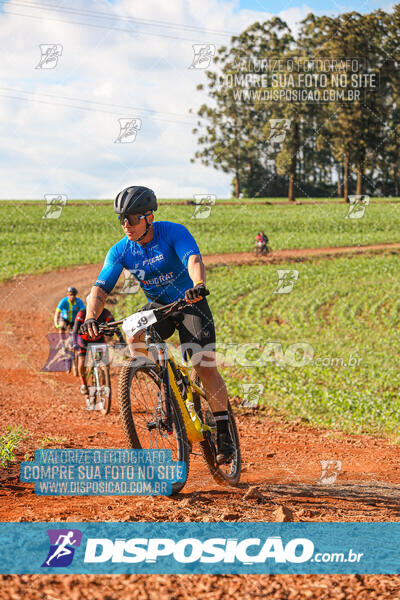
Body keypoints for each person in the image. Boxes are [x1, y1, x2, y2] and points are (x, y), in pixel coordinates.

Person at [80, 185, 235, 464]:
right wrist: (91, 316)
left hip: (190, 302)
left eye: (133, 218)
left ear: (149, 216)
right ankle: (159, 378)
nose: (126, 225)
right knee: (132, 331)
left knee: (203, 362)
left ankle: (224, 432)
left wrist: (198, 285)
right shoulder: (121, 250)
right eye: (122, 219)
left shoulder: (172, 232)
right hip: (160, 309)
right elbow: (100, 290)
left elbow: (193, 259)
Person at [73, 296, 124, 405]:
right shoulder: (82, 314)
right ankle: (84, 384)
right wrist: (75, 343)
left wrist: (121, 340)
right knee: (82, 362)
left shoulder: (105, 313)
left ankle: (103, 383)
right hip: (84, 341)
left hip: (98, 340)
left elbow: (116, 327)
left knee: (105, 364)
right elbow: (75, 331)